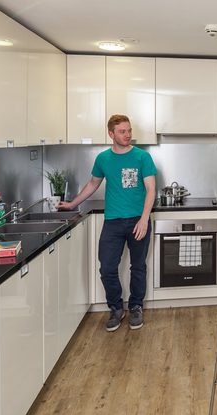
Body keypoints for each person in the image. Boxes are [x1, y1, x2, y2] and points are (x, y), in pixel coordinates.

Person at [58, 115, 156, 332]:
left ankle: (136, 306)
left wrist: (143, 219)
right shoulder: (103, 159)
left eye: (129, 130)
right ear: (111, 134)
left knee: (138, 266)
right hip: (112, 221)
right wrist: (72, 204)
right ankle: (116, 308)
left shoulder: (142, 157)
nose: (128, 134)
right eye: (122, 131)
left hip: (137, 220)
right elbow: (93, 184)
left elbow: (151, 189)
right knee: (107, 268)